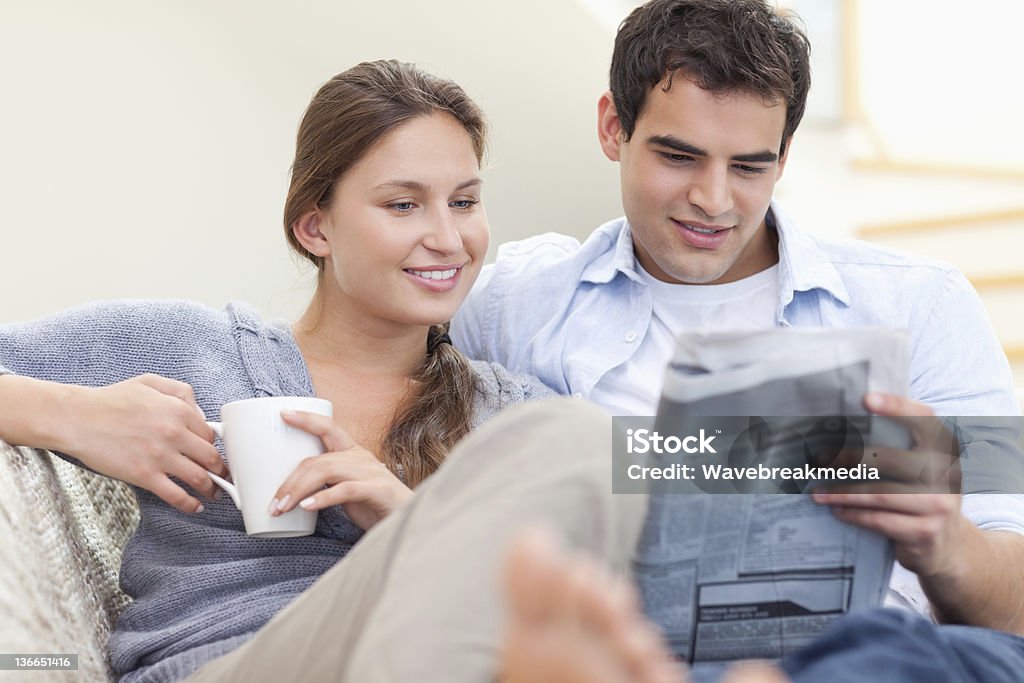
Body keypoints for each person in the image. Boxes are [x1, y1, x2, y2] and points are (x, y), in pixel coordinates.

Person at [0, 60, 651, 683]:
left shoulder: (506, 415)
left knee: (584, 441)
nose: (449, 238)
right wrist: (78, 416)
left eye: (464, 201)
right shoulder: (191, 349)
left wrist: (405, 517)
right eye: (403, 205)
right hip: (231, 663)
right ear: (316, 227)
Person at [451, 0, 1024, 668]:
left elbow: (1013, 607)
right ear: (614, 127)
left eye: (749, 167)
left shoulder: (921, 302)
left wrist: (946, 540)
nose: (714, 199)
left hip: (872, 655)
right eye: (679, 156)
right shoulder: (512, 306)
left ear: (783, 157)